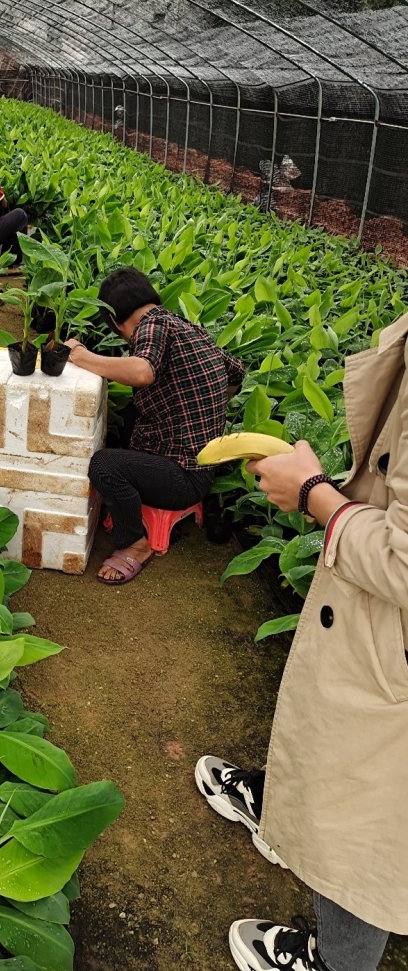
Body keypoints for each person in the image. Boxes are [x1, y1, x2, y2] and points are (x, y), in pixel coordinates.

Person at [196, 306, 408, 971]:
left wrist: (316, 493)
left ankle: (335, 963)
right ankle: (283, 801)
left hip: (389, 648)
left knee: (362, 825)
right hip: (370, 627)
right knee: (331, 758)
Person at [65, 266, 244, 584]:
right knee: (133, 413)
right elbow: (235, 375)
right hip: (202, 465)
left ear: (116, 321)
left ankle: (135, 543)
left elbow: (142, 371)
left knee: (105, 465)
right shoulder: (188, 328)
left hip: (182, 479)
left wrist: (80, 356)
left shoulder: (151, 324)